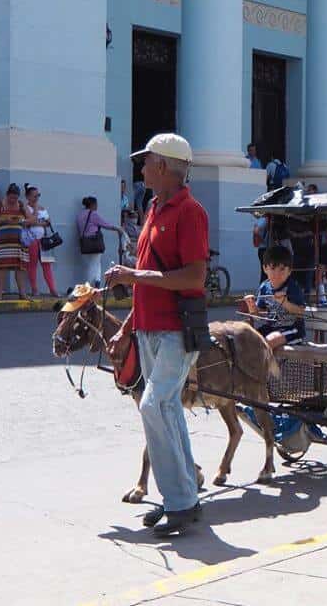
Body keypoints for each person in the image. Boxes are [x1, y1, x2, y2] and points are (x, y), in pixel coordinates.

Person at [105, 132, 208, 537]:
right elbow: (148, 281)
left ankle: (180, 500)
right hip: (149, 328)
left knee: (153, 406)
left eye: (146, 161)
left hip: (174, 331)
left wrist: (133, 275)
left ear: (163, 166)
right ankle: (183, 499)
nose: (142, 167)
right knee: (166, 411)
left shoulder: (190, 211)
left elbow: (194, 276)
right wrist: (127, 329)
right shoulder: (154, 208)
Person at [241, 245, 306, 353]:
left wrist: (284, 303)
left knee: (268, 341)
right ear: (265, 268)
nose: (277, 274)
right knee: (248, 339)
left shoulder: (292, 287)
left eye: (282, 269)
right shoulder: (264, 287)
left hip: (292, 330)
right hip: (271, 328)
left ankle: (263, 368)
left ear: (289, 271)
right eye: (272, 268)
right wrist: (252, 305)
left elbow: (301, 312)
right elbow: (258, 315)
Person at [0, 183, 30, 300]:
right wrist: (4, 220)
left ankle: (22, 293)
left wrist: (22, 220)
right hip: (3, 243)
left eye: (15, 198)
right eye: (11, 197)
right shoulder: (0, 205)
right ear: (7, 195)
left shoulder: (22, 205)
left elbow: (32, 219)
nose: (13, 200)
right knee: (1, 267)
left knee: (20, 267)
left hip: (19, 242)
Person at [76, 195, 122, 287]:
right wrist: (117, 229)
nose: (97, 206)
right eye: (96, 204)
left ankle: (97, 281)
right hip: (94, 242)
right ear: (93, 204)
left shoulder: (80, 215)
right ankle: (89, 286)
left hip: (84, 243)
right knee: (94, 264)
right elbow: (105, 224)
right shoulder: (93, 214)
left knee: (93, 263)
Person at [24, 183, 58, 297]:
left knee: (47, 265)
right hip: (32, 240)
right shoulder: (25, 208)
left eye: (38, 195)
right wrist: (35, 213)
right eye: (34, 196)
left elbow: (48, 222)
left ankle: (53, 289)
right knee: (32, 265)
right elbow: (28, 222)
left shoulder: (42, 208)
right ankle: (34, 289)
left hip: (43, 240)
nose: (36, 198)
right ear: (28, 196)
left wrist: (37, 222)